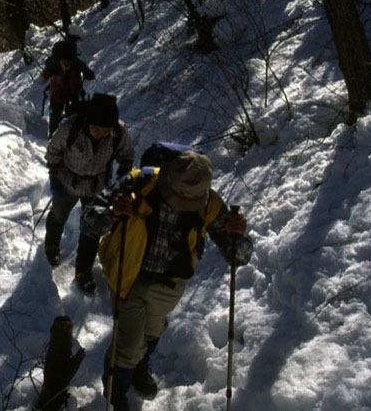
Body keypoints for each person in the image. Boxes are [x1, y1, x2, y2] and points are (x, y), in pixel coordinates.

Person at [80, 149, 253, 410]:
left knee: (151, 332)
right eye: (175, 197)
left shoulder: (209, 203)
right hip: (128, 274)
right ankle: (116, 393)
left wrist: (237, 236)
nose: (177, 204)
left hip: (170, 283)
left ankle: (138, 370)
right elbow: (87, 222)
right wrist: (112, 214)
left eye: (186, 202)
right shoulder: (138, 182)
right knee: (128, 344)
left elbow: (238, 257)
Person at [44, 93, 134, 294]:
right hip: (67, 181)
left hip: (97, 186)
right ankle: (51, 246)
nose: (100, 133)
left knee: (93, 227)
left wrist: (124, 175)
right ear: (88, 121)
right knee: (58, 215)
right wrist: (54, 177)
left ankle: (83, 271)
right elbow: (53, 151)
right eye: (96, 128)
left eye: (105, 130)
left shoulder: (118, 132)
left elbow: (127, 155)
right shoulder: (70, 128)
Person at [39, 39, 95, 137]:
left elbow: (88, 74)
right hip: (57, 94)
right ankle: (53, 136)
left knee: (73, 116)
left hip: (73, 94)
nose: (67, 65)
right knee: (56, 116)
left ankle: (72, 136)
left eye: (70, 63)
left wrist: (89, 75)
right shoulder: (54, 65)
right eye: (65, 63)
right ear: (59, 60)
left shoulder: (78, 64)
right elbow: (45, 75)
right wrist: (44, 77)